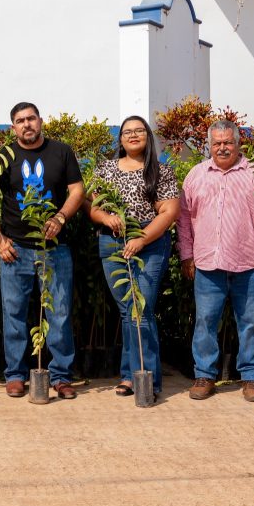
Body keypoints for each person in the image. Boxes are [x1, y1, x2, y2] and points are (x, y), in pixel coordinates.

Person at [179, 119, 254, 403]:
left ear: (238, 143)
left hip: (249, 263)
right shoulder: (195, 175)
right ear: (209, 145)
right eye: (216, 143)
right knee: (205, 321)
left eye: (228, 142)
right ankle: (205, 375)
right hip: (208, 264)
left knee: (251, 322)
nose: (222, 148)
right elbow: (184, 220)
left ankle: (251, 378)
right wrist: (186, 255)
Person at [0, 102, 84, 399]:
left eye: (30, 118)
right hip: (14, 249)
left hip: (54, 250)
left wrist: (60, 217)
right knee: (14, 314)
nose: (26, 124)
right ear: (13, 127)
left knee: (60, 313)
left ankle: (61, 376)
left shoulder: (61, 152)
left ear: (40, 121)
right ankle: (15, 375)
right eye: (20, 121)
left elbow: (77, 190)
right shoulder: (4, 156)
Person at [88, 115, 179, 400]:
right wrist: (107, 216)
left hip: (150, 245)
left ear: (148, 137)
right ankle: (131, 375)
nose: (133, 135)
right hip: (113, 245)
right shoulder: (105, 169)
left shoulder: (161, 172)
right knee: (129, 311)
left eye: (139, 130)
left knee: (142, 310)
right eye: (127, 132)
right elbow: (91, 207)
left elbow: (168, 212)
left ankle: (145, 378)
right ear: (121, 139)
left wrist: (141, 239)